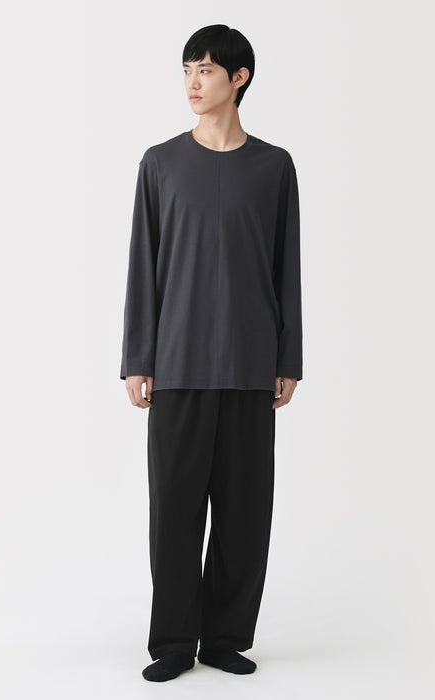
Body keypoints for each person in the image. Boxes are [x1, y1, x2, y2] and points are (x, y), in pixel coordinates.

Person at [119, 24, 303, 682]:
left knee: (245, 513)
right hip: (178, 366)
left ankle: (225, 637)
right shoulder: (160, 164)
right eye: (187, 69)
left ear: (238, 78)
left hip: (252, 368)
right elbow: (144, 265)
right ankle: (173, 642)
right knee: (174, 512)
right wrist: (139, 357)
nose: (193, 83)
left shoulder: (274, 167)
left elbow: (286, 267)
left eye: (205, 70)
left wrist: (289, 357)